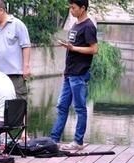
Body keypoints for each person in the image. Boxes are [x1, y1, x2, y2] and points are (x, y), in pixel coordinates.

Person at [50, 0, 97, 150]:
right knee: (62, 107)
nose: (71, 10)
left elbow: (94, 49)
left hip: (79, 74)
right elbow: (73, 48)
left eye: (73, 7)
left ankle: (78, 142)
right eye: (70, 7)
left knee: (80, 109)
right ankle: (54, 140)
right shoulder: (75, 25)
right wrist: (69, 47)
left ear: (82, 8)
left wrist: (73, 48)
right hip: (69, 73)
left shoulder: (88, 26)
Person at [0, 0, 31, 100]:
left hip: (15, 75)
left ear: (1, 10)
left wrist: (26, 66)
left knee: (18, 105)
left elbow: (26, 45)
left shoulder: (17, 24)